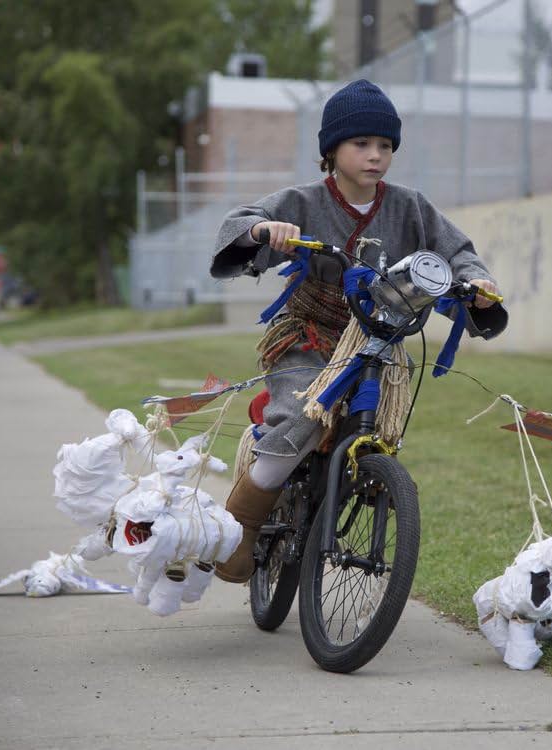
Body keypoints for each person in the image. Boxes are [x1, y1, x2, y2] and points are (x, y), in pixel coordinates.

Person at [210, 79, 508, 583]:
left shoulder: (411, 206)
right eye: (361, 143)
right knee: (300, 418)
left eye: (386, 145)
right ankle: (241, 526)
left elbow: (457, 253)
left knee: (382, 429)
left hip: (380, 339)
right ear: (331, 150)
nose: (375, 155)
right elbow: (240, 222)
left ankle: (355, 486)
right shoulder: (303, 200)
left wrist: (476, 281)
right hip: (310, 331)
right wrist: (265, 231)